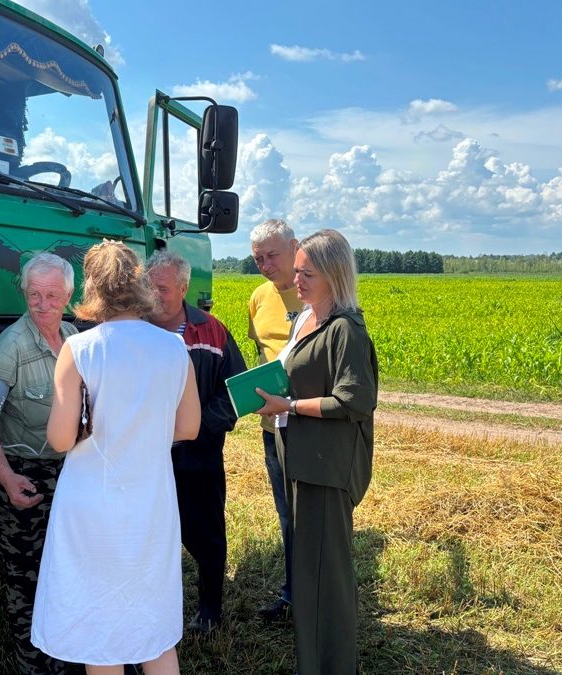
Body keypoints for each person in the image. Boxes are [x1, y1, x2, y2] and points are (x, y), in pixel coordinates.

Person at [32, 242, 201, 674]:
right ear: (140, 283)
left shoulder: (80, 348)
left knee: (100, 633)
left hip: (92, 506)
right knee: (153, 627)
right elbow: (188, 428)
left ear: (92, 288)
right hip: (151, 500)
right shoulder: (173, 348)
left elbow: (60, 439)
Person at [254, 229, 378, 674]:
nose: (296, 279)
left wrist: (287, 405)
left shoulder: (346, 329)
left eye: (307, 273)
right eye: (298, 270)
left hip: (326, 468)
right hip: (301, 460)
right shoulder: (307, 317)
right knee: (308, 571)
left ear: (333, 274)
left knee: (327, 577)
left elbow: (354, 400)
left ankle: (332, 664)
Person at [0, 253, 77, 675]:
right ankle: (31, 664)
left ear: (68, 296)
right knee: (26, 576)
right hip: (26, 475)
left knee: (65, 568)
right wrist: (8, 478)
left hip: (69, 473)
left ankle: (63, 653)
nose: (42, 304)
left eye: (52, 295)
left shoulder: (72, 338)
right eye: (34, 294)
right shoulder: (10, 345)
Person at [144, 251, 245, 633]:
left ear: (185, 288)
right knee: (151, 536)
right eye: (148, 286)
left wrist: (196, 426)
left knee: (206, 536)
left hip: (198, 457)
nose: (154, 295)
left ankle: (209, 610)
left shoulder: (213, 331)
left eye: (163, 288)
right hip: (147, 459)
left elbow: (237, 393)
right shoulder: (134, 328)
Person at [246, 218, 301, 620]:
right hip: (273, 429)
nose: (265, 264)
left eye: (272, 255)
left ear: (295, 247)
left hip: (311, 422)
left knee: (315, 514)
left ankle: (320, 593)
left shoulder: (318, 293)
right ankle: (293, 595)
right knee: (287, 515)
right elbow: (261, 356)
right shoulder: (258, 298)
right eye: (258, 258)